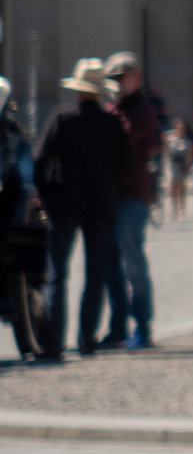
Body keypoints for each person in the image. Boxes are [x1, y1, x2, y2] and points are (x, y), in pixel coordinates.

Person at [33, 59, 131, 358]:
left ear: (78, 90)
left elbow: (39, 160)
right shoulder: (111, 123)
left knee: (57, 276)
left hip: (64, 204)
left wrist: (46, 196)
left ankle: (54, 344)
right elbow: (126, 163)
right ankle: (86, 340)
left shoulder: (62, 118)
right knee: (95, 276)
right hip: (100, 206)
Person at [101, 52, 159, 349]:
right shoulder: (115, 108)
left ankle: (142, 326)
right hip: (112, 197)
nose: (115, 84)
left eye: (119, 78)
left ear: (134, 78)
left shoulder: (142, 111)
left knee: (133, 266)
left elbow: (124, 143)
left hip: (132, 197)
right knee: (111, 268)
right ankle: (117, 328)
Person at [164, 120, 193, 221]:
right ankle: (174, 209)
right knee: (173, 186)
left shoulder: (187, 141)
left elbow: (190, 154)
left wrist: (188, 164)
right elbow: (167, 151)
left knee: (182, 187)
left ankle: (182, 209)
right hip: (173, 166)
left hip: (182, 166)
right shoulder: (171, 139)